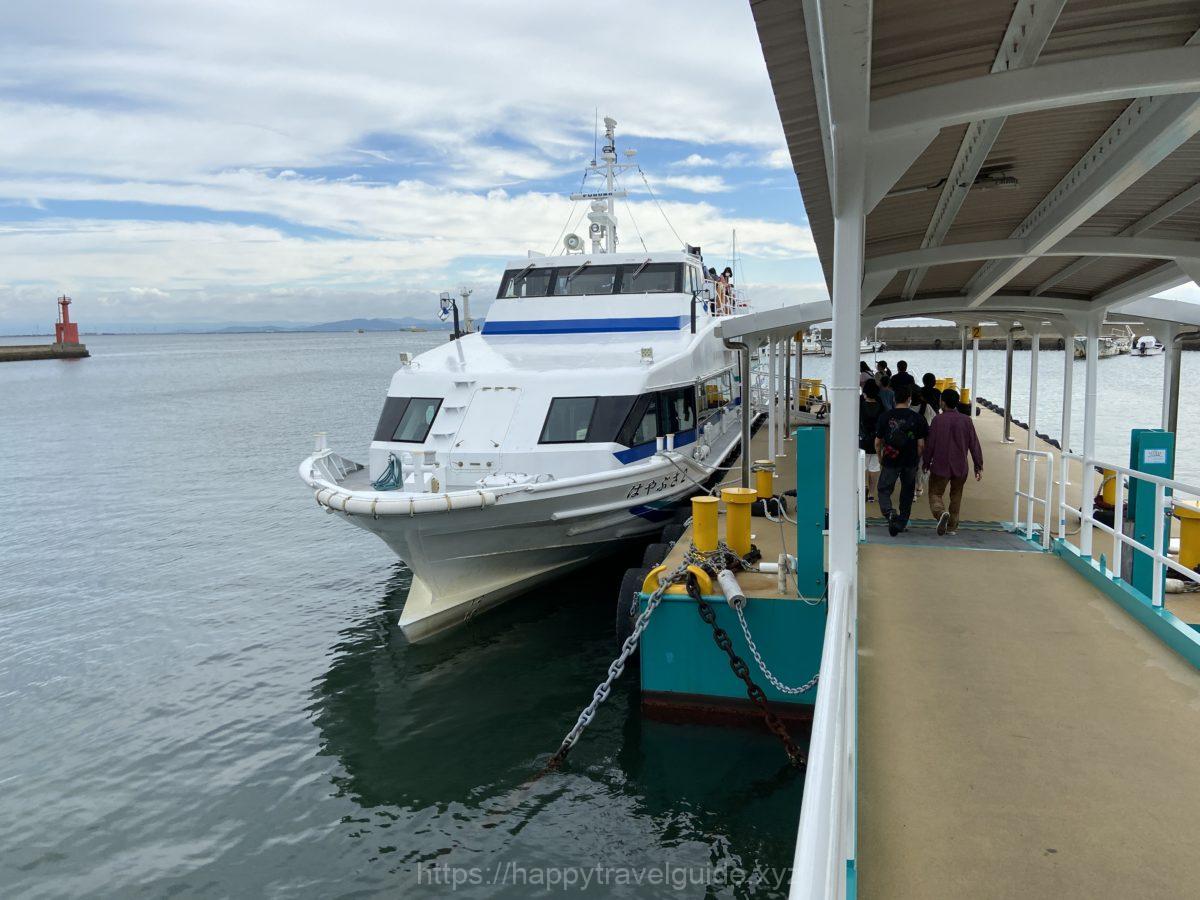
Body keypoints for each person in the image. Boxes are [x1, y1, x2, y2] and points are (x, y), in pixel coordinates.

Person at [922, 387, 984, 535]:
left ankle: (941, 513)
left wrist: (926, 462)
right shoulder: (966, 420)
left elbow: (930, 444)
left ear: (943, 403)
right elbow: (974, 444)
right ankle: (952, 527)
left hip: (940, 465)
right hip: (960, 466)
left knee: (935, 494)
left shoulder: (937, 420)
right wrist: (978, 466)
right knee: (956, 496)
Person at [875, 384, 928, 536]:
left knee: (884, 489)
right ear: (909, 399)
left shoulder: (885, 417)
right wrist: (917, 458)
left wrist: (880, 457)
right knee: (907, 491)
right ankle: (902, 522)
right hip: (910, 460)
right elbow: (921, 444)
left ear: (894, 399)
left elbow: (878, 442)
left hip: (890, 459)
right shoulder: (918, 418)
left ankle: (889, 513)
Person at [860, 379, 883, 502]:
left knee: (861, 466)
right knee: (874, 468)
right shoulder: (881, 407)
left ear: (865, 393)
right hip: (876, 440)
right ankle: (871, 494)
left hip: (862, 440)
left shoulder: (860, 406)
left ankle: (862, 489)